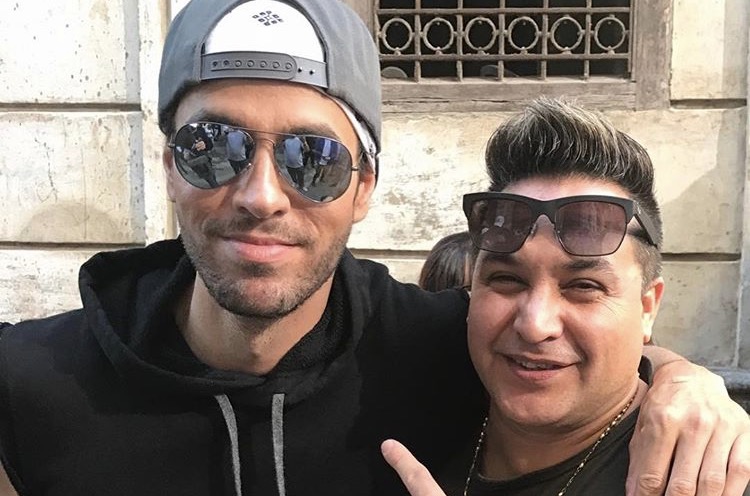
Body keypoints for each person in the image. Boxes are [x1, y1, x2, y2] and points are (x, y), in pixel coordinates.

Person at [0, 1, 748, 495]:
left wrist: (686, 381)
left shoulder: (440, 347)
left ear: (365, 187)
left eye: (313, 159)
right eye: (213, 146)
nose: (261, 195)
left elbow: (582, 346)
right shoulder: (29, 383)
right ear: (170, 167)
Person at [382, 99, 750, 495]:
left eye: (584, 287)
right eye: (507, 279)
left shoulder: (711, 474)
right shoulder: (413, 407)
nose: (535, 325)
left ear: (647, 308)